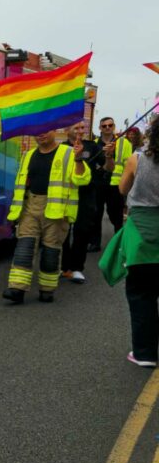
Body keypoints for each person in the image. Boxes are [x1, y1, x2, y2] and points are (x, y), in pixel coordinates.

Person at [2, 129, 90, 304]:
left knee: (51, 251)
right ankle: (17, 288)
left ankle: (47, 289)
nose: (40, 134)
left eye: (45, 131)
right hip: (30, 206)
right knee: (24, 248)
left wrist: (79, 159)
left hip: (57, 210)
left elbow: (83, 179)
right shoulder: (28, 155)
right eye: (38, 131)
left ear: (55, 131)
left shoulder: (68, 152)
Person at [101, 117, 159, 367]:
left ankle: (144, 353)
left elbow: (123, 189)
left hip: (142, 234)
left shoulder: (138, 158)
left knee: (141, 293)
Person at [60, 121, 103, 283]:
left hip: (86, 195)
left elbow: (106, 166)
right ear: (66, 130)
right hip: (66, 195)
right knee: (62, 232)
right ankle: (64, 267)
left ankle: (77, 268)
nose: (80, 131)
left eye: (82, 128)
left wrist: (108, 156)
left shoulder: (92, 147)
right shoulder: (61, 149)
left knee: (82, 231)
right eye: (75, 128)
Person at [90, 116, 133, 249]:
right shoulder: (95, 144)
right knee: (96, 215)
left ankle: (119, 243)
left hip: (115, 184)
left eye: (110, 125)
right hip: (98, 184)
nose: (107, 128)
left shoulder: (124, 143)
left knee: (116, 216)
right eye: (104, 126)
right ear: (100, 128)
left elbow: (128, 164)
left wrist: (127, 184)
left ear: (114, 126)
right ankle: (95, 243)